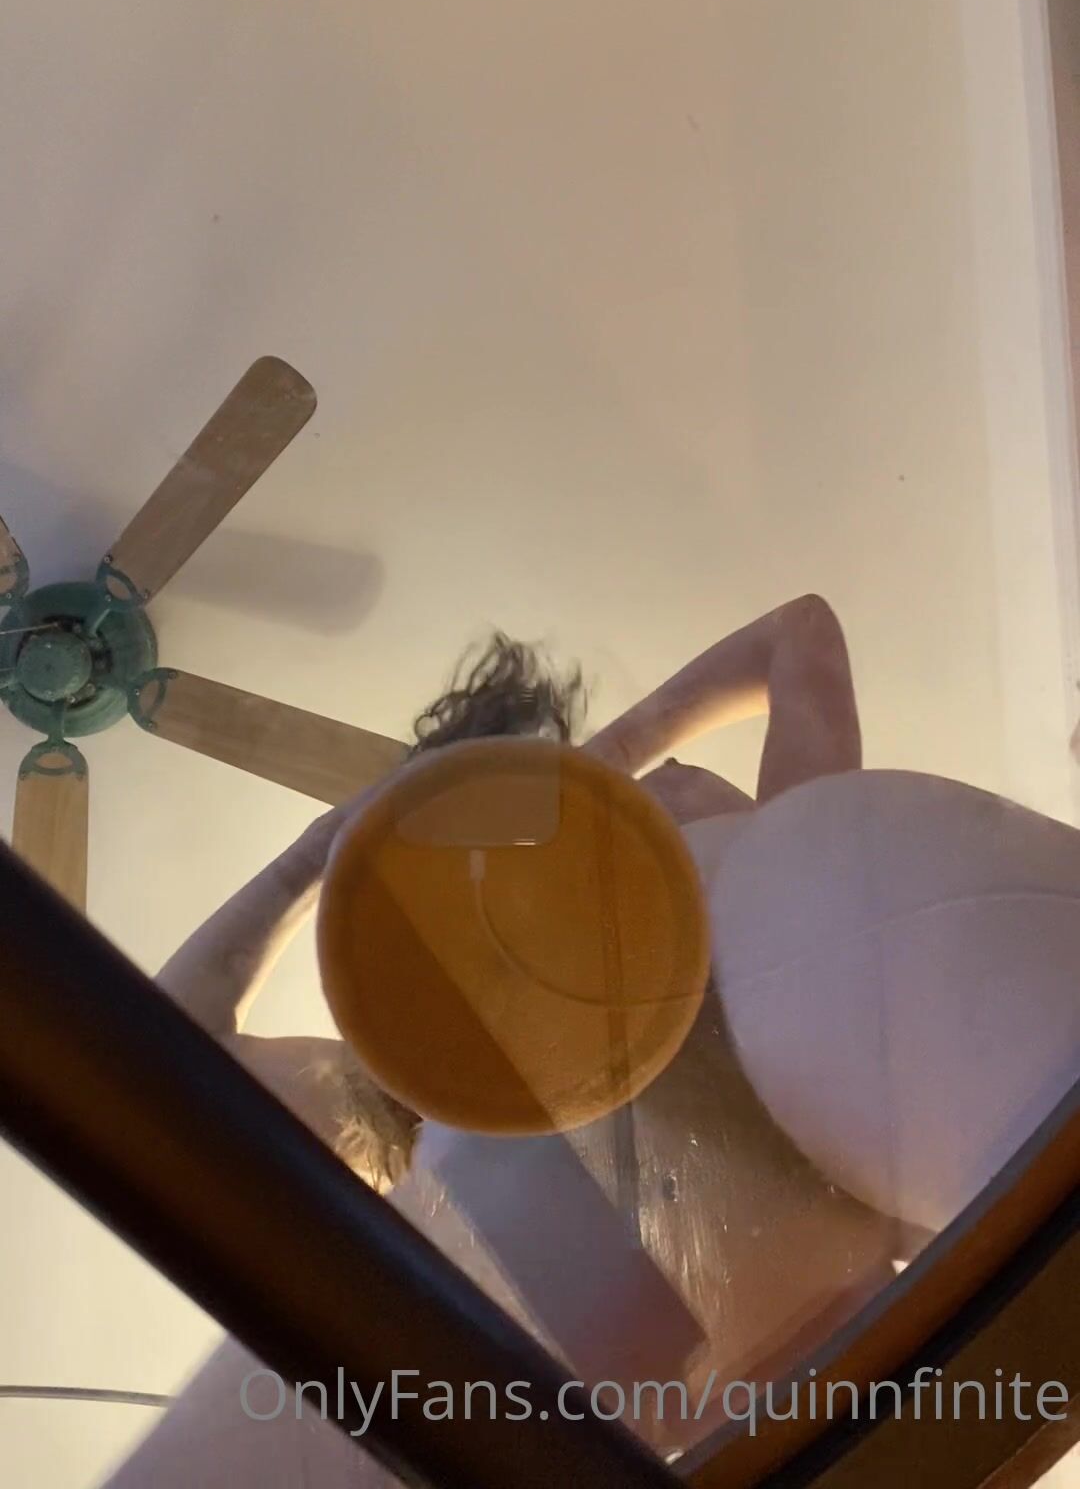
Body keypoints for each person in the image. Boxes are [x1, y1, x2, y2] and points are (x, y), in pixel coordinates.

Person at [106, 598, 1080, 1482]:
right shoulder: (436, 1098)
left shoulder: (791, 860)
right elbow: (158, 1059)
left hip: (734, 1283)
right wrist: (335, 845)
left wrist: (602, 769)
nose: (681, 776)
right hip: (639, 1276)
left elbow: (802, 633)